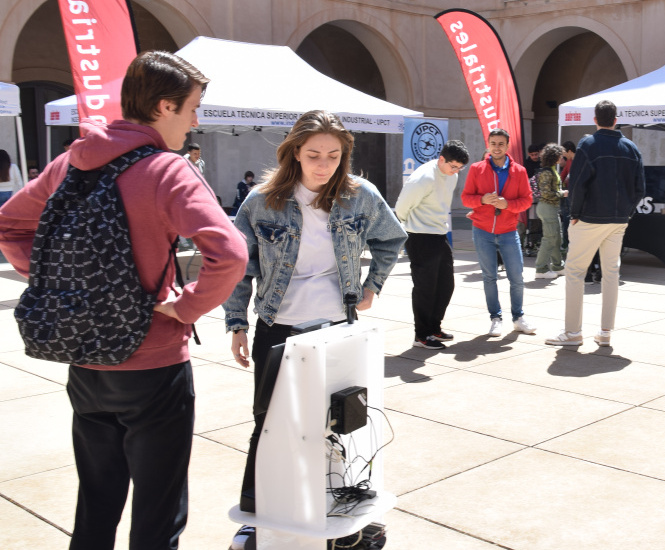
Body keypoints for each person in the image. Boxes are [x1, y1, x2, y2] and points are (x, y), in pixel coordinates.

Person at [0, 50, 248, 550]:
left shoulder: (70, 161)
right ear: (163, 107)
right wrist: (187, 307)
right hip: (153, 361)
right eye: (193, 108)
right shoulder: (167, 170)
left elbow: (10, 224)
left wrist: (60, 284)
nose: (196, 120)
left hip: (85, 360)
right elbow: (230, 254)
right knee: (158, 511)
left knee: (95, 501)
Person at [223, 110, 406, 540]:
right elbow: (238, 267)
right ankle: (257, 516)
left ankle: (340, 512)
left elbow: (391, 238)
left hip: (336, 330)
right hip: (277, 326)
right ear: (295, 154)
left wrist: (371, 284)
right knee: (269, 424)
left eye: (333, 155)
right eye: (313, 155)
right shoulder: (261, 200)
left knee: (339, 422)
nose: (323, 164)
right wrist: (237, 325)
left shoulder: (360, 196)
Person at [546, 100, 644, 347]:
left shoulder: (588, 145)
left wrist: (575, 213)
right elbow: (640, 188)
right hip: (618, 220)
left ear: (595, 118)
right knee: (611, 274)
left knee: (575, 273)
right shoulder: (631, 148)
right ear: (616, 118)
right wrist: (626, 213)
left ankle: (573, 332)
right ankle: (605, 332)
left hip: (589, 218)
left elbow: (577, 183)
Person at [462, 128, 537, 337]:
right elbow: (466, 198)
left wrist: (507, 204)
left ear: (507, 145)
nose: (497, 148)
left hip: (508, 231)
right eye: (493, 143)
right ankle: (495, 318)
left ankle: (518, 317)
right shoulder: (477, 169)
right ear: (488, 144)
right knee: (489, 277)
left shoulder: (519, 171)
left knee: (517, 277)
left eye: (501, 144)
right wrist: (482, 200)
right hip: (482, 230)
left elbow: (527, 200)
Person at [395, 140, 469, 349]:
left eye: (460, 168)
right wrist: (411, 227)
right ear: (441, 159)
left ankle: (434, 328)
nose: (455, 171)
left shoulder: (451, 176)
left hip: (439, 233)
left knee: (446, 285)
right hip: (419, 235)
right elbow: (402, 207)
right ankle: (421, 335)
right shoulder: (423, 177)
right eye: (453, 166)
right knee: (425, 287)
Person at [533, 143, 567, 279]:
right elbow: (546, 193)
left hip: (549, 208)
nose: (562, 158)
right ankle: (541, 269)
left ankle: (558, 266)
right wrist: (562, 193)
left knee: (556, 238)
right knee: (550, 238)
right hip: (548, 207)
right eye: (560, 155)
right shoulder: (548, 172)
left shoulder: (550, 170)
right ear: (555, 156)